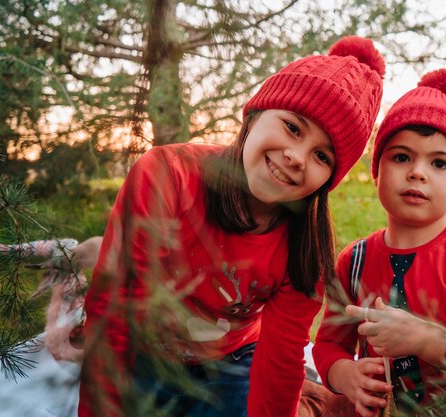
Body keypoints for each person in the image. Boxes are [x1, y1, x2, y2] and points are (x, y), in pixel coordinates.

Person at [78, 36, 385, 417]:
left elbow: (281, 359)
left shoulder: (305, 249)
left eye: (322, 156)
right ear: (255, 116)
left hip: (232, 359)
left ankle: (312, 403)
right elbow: (115, 312)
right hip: (148, 352)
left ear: (329, 178)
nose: (296, 158)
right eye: (292, 127)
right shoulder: (166, 177)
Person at [313, 68, 446, 417]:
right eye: (401, 157)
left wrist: (427, 340)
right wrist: (346, 374)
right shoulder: (354, 260)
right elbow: (330, 344)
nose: (417, 172)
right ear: (376, 172)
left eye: (439, 162)